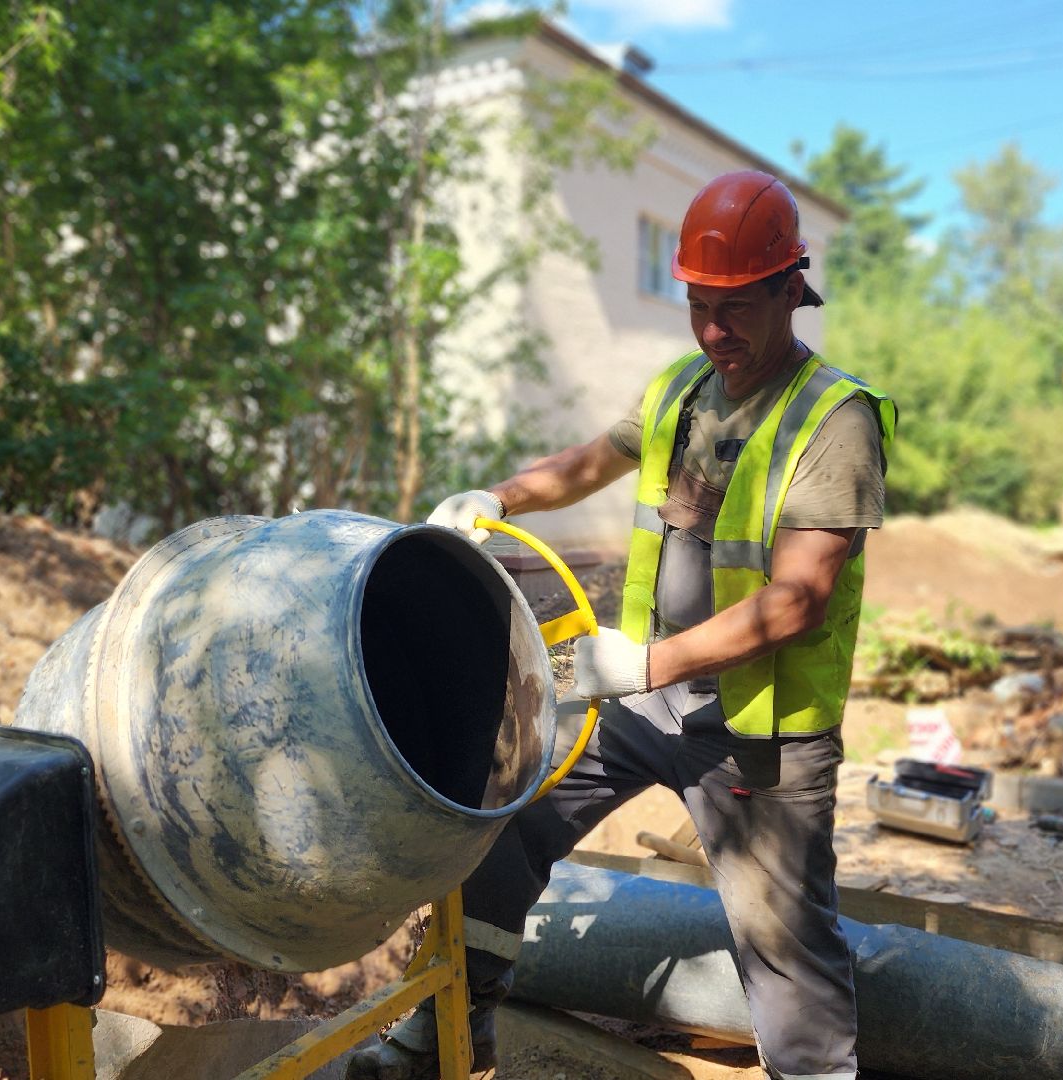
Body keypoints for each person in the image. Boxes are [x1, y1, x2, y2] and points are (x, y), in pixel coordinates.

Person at [347, 170, 895, 1080]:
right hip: (642, 702)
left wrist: (644, 662)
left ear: (791, 289)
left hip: (755, 735)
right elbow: (586, 463)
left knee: (783, 943)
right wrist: (497, 499)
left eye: (738, 308)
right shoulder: (683, 387)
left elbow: (798, 599)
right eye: (698, 305)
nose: (715, 331)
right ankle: (452, 1026)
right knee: (501, 822)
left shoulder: (833, 421)